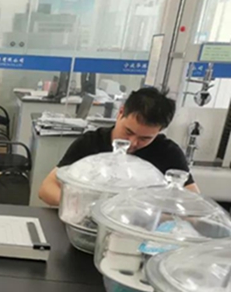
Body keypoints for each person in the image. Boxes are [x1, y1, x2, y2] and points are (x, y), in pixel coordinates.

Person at [38, 87, 200, 206]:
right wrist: (79, 206)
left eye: (145, 138)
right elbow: (46, 188)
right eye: (128, 131)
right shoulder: (91, 143)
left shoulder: (168, 153)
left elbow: (193, 201)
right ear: (120, 113)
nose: (132, 142)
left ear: (160, 130)